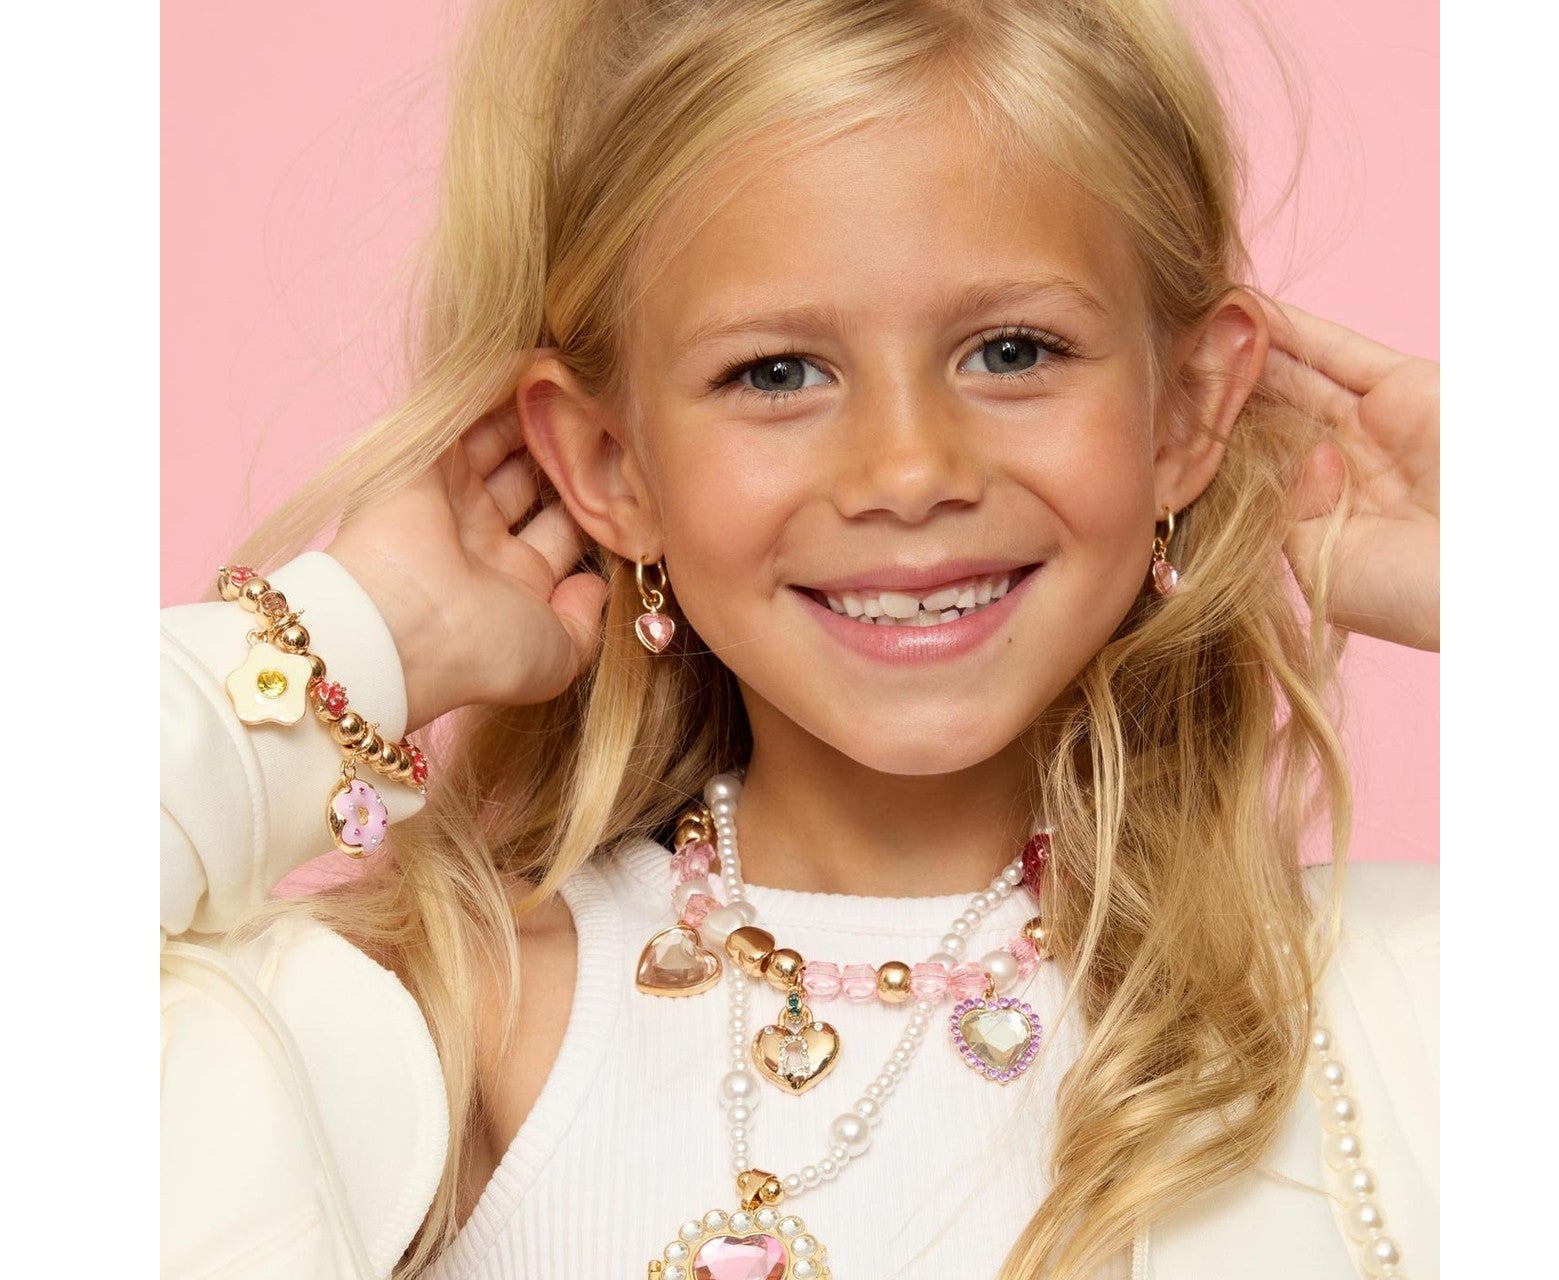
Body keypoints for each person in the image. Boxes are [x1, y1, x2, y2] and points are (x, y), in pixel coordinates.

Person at [159, 0, 1439, 1276]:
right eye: (776, 372)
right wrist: (359, 636)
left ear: (1187, 408)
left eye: (1010, 350)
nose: (909, 471)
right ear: (608, 463)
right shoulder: (454, 1016)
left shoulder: (1395, 1007)